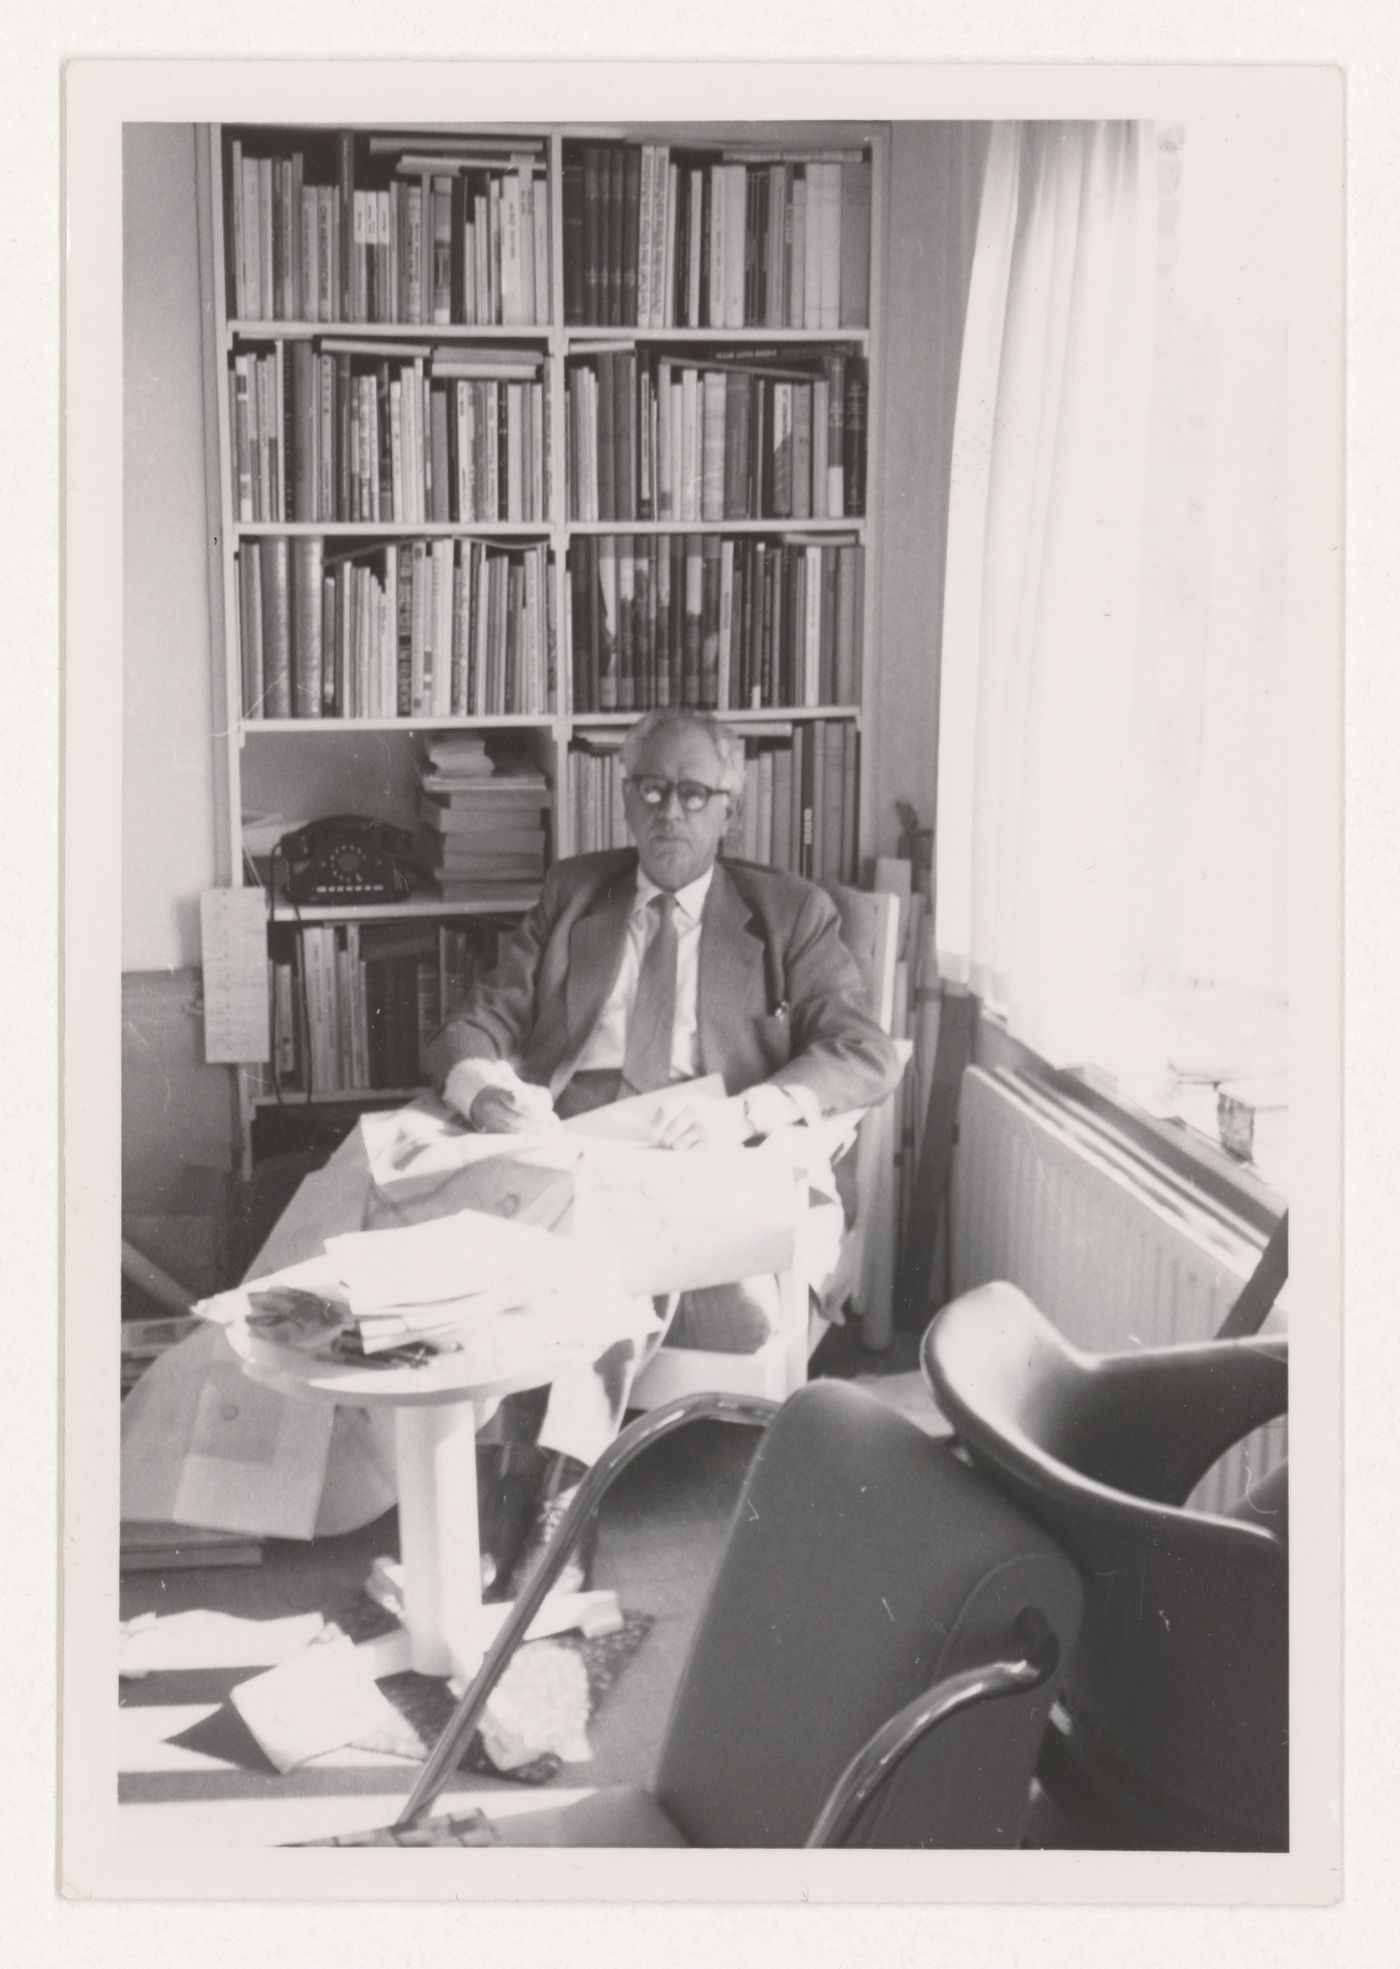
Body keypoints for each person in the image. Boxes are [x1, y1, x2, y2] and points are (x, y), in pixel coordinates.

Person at [426, 709, 902, 1584]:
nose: (670, 813)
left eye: (693, 794)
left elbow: (864, 1051)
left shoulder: (790, 914)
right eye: (651, 789)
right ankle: (550, 1504)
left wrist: (750, 1110)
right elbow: (478, 1019)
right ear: (624, 798)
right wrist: (487, 1088)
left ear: (730, 807)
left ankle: (541, 1496)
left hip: (701, 1150)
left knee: (600, 1248)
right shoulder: (575, 894)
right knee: (579, 1239)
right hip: (574, 1139)